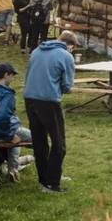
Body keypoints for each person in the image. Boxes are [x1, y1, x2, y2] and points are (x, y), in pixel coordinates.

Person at [23, 30, 77, 192]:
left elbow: (28, 75)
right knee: (59, 143)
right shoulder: (66, 56)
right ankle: (53, 183)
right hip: (48, 101)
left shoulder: (37, 50)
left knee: (39, 142)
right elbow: (67, 86)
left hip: (29, 98)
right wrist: (65, 89)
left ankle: (45, 179)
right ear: (70, 45)